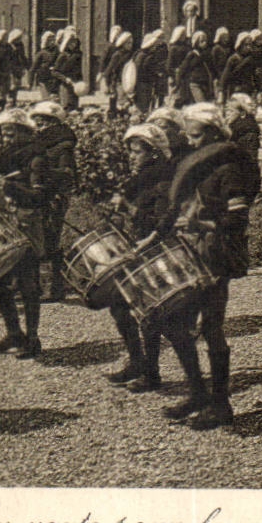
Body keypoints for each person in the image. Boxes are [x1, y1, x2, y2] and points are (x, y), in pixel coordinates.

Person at [149, 103, 257, 429]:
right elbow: (177, 204)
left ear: (212, 133)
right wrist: (157, 233)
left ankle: (220, 404)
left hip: (214, 255)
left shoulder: (229, 168)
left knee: (211, 327)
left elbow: (237, 218)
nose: (191, 142)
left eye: (196, 135)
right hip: (189, 251)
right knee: (172, 320)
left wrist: (204, 223)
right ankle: (198, 392)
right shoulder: (196, 163)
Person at [105, 122, 173, 387]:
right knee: (120, 304)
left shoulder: (163, 180)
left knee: (150, 312)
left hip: (157, 251)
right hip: (140, 249)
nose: (132, 157)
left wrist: (129, 209)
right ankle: (138, 362)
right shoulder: (140, 180)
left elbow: (162, 220)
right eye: (131, 151)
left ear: (153, 153)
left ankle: (151, 372)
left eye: (137, 152)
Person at [0, 108, 48, 357]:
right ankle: (13, 333)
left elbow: (39, 196)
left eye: (10, 134)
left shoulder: (36, 159)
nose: (6, 140)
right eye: (3, 135)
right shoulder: (7, 156)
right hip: (7, 222)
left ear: (23, 132)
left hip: (28, 224)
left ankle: (32, 339)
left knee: (28, 285)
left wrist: (9, 186)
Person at [26, 100, 80, 302]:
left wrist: (43, 173)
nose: (40, 126)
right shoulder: (41, 142)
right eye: (38, 122)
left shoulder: (61, 146)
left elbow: (67, 174)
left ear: (54, 123)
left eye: (44, 122)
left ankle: (54, 286)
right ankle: (38, 284)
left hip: (54, 197)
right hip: (39, 194)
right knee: (36, 237)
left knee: (49, 238)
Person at [132, 30, 168, 114]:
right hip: (144, 83)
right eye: (154, 45)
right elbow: (145, 69)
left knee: (144, 106)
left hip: (143, 83)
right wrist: (157, 73)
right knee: (143, 106)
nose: (155, 47)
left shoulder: (139, 54)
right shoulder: (146, 56)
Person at [54, 30, 84, 112]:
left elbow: (79, 70)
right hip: (65, 85)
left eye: (74, 42)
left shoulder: (78, 55)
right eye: (71, 42)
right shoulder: (63, 55)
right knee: (66, 107)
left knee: (74, 107)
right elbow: (55, 71)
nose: (73, 44)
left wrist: (80, 81)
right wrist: (65, 79)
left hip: (75, 85)